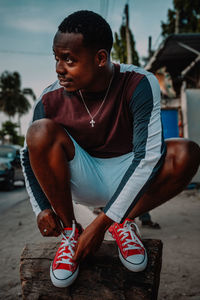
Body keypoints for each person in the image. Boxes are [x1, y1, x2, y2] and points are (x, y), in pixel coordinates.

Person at [20, 10, 200, 288]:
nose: (59, 68)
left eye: (69, 59)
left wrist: (103, 224)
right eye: (56, 58)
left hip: (129, 173)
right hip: (83, 177)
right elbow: (26, 154)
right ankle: (70, 233)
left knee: (186, 153)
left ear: (100, 58)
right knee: (39, 132)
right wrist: (41, 208)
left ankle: (122, 223)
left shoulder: (138, 82)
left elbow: (148, 158)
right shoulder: (50, 98)